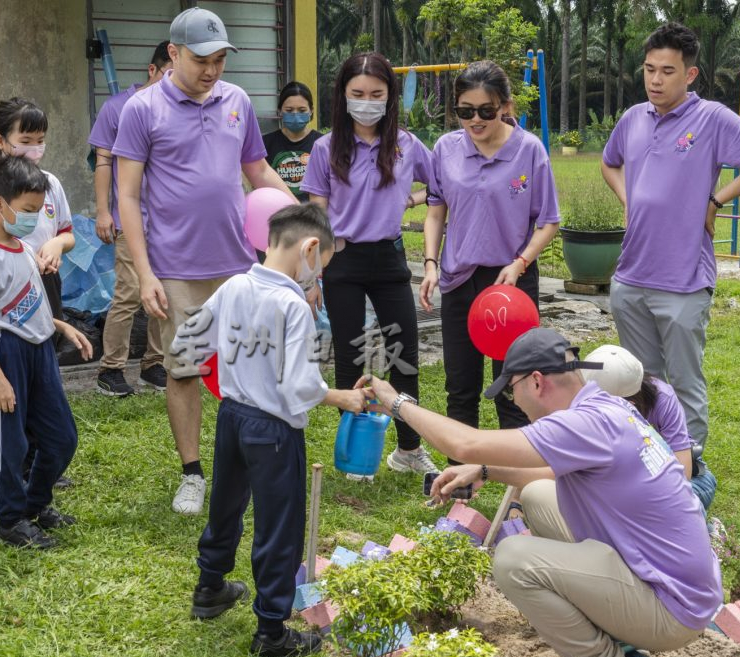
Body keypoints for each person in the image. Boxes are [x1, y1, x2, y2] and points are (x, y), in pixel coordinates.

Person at [360, 328, 722, 657]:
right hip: (676, 581)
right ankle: (612, 626)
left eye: (509, 389)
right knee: (536, 495)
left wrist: (397, 403)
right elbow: (552, 469)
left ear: (536, 382)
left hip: (673, 610)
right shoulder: (606, 406)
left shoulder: (583, 424)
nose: (513, 401)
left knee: (514, 558)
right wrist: (487, 471)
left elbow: (465, 443)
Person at [113, 7, 297, 515]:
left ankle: (251, 466)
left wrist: (302, 219)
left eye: (219, 60)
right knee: (185, 368)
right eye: (201, 60)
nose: (212, 71)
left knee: (250, 369)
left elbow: (257, 169)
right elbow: (128, 196)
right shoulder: (142, 110)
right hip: (175, 269)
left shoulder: (236, 101)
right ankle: (192, 474)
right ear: (172, 54)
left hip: (239, 262)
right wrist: (144, 272)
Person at [173, 204, 368, 657]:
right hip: (275, 430)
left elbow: (189, 344)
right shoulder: (292, 306)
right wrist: (341, 397)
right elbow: (299, 385)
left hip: (232, 418)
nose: (316, 275)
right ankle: (272, 633)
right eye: (320, 266)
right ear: (310, 248)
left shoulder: (234, 286)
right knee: (279, 528)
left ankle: (210, 587)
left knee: (226, 505)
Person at [601, 22, 740, 447]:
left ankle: (690, 466)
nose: (656, 80)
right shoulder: (633, 119)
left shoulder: (711, 118)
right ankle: (646, 458)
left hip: (683, 280)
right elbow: (610, 162)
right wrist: (628, 199)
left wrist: (716, 201)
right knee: (640, 379)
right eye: (649, 69)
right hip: (631, 277)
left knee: (684, 382)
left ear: (689, 75)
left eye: (667, 71)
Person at [301, 52, 435, 481]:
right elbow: (316, 216)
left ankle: (409, 449)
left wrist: (412, 206)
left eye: (376, 94)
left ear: (390, 97)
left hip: (389, 256)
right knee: (351, 353)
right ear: (342, 96)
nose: (366, 102)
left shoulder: (408, 145)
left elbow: (441, 187)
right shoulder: (325, 148)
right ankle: (356, 453)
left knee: (404, 353)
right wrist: (312, 275)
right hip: (342, 259)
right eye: (357, 94)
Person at [420, 60, 560, 451]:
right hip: (460, 279)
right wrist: (431, 264)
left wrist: (519, 264)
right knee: (459, 388)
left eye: (486, 110)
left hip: (511, 283)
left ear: (505, 105)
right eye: (465, 112)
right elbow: (435, 210)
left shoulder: (529, 151)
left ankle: (516, 493)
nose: (475, 120)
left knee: (514, 389)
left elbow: (548, 222)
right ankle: (460, 486)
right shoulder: (446, 149)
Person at [0, 156, 93, 549]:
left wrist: (61, 325)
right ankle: (10, 522)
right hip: (7, 354)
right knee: (11, 443)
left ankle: (36, 505)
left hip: (40, 350)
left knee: (61, 438)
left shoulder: (21, 248)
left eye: (39, 211)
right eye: (28, 210)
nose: (35, 220)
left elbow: (29, 302)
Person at [90, 41, 171, 397]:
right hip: (129, 218)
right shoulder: (117, 108)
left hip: (169, 222)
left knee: (163, 293)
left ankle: (154, 364)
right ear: (151, 71)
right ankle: (111, 368)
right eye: (168, 73)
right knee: (127, 294)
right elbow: (104, 162)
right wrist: (103, 211)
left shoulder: (176, 108)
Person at [0, 97, 75, 320]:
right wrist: (22, 256)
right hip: (4, 282)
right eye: (26, 141)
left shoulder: (50, 183)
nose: (35, 149)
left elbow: (67, 234)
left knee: (48, 338)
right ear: (0, 141)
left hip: (46, 279)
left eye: (40, 141)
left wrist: (57, 243)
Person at [582, 344, 718, 516]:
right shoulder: (580, 403)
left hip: (676, 480)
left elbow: (683, 475)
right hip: (615, 484)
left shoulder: (662, 397)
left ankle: (706, 532)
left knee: (673, 509)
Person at [262, 81, 323, 202]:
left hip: (312, 216)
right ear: (280, 110)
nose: (295, 115)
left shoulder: (322, 144)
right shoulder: (264, 143)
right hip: (276, 213)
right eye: (289, 110)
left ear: (311, 110)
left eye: (302, 110)